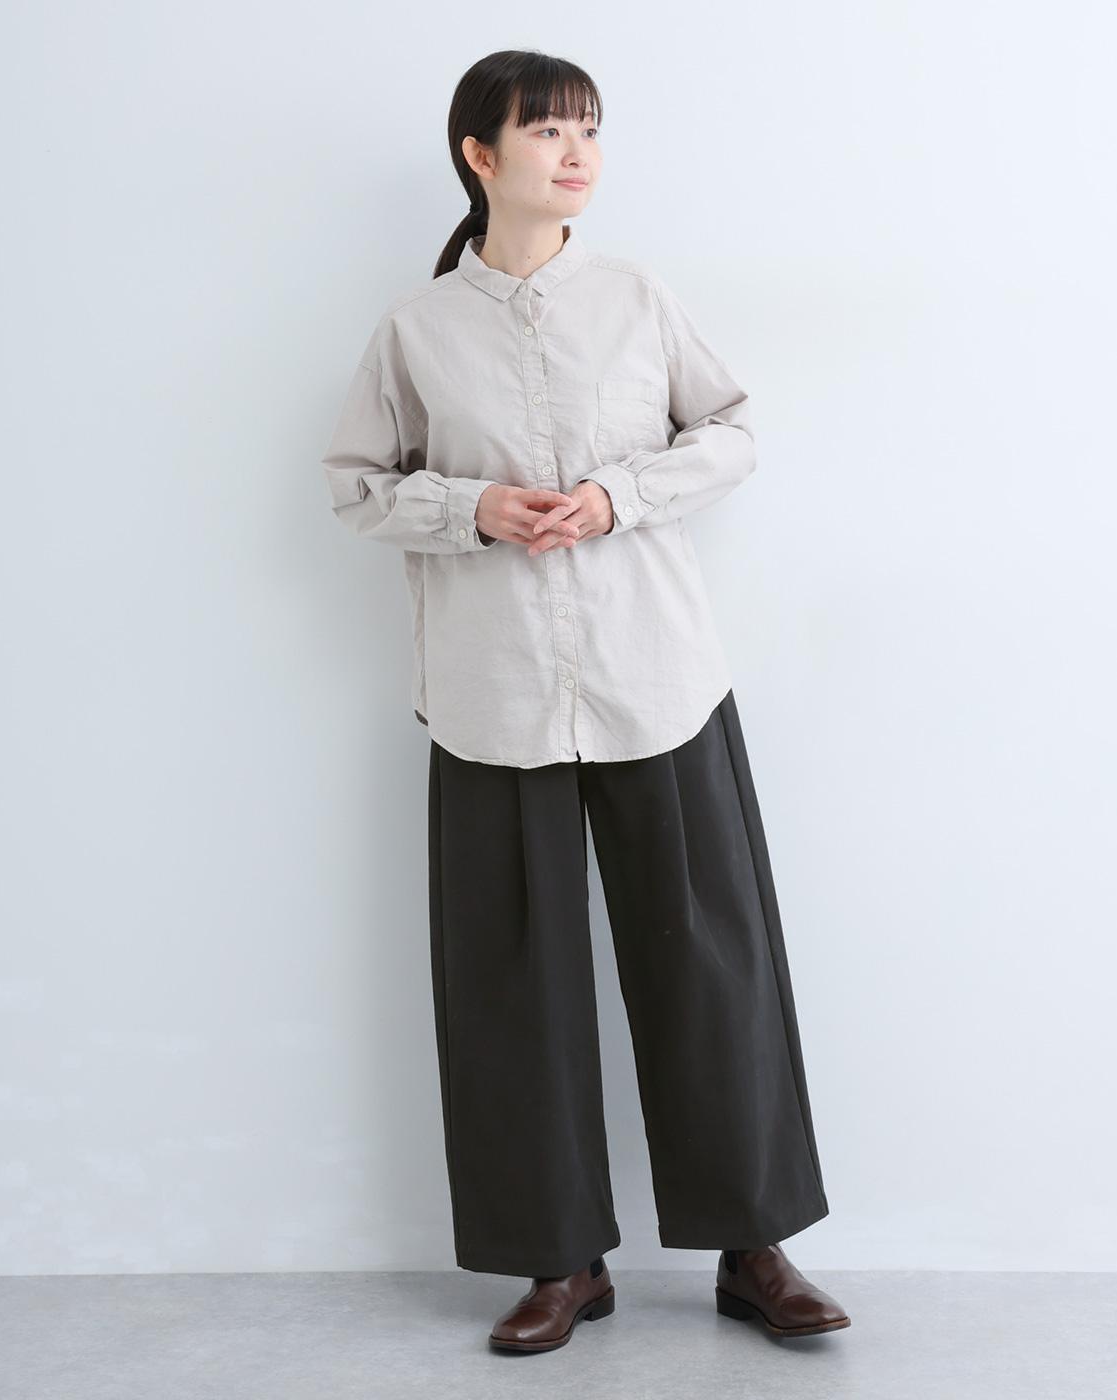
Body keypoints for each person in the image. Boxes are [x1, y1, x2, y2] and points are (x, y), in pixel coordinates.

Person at [320, 48, 851, 1353]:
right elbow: (355, 486)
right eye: (548, 131)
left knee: (710, 962)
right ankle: (560, 1262)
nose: (576, 155)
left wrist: (620, 495)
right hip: (492, 696)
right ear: (479, 155)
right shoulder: (416, 329)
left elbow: (731, 431)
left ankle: (753, 1249)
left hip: (656, 677)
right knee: (513, 981)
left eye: (590, 133)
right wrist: (475, 509)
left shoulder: (637, 299)